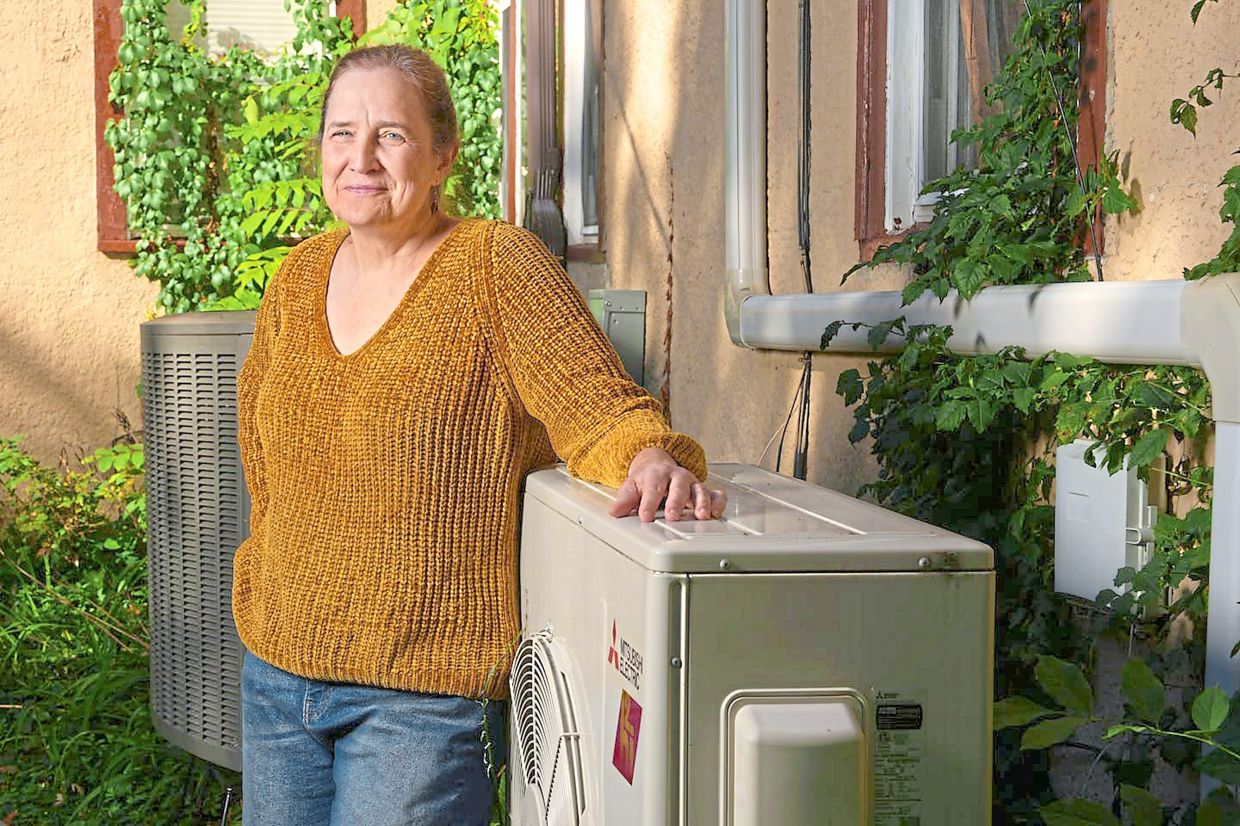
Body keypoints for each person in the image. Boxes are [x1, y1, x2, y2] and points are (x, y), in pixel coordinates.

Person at [233, 44, 725, 825]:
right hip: (277, 673)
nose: (361, 157)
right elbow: (263, 459)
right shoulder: (297, 277)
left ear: (442, 156)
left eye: (391, 135)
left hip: (420, 703)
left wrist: (649, 456)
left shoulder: (494, 266)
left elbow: (596, 405)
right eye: (342, 133)